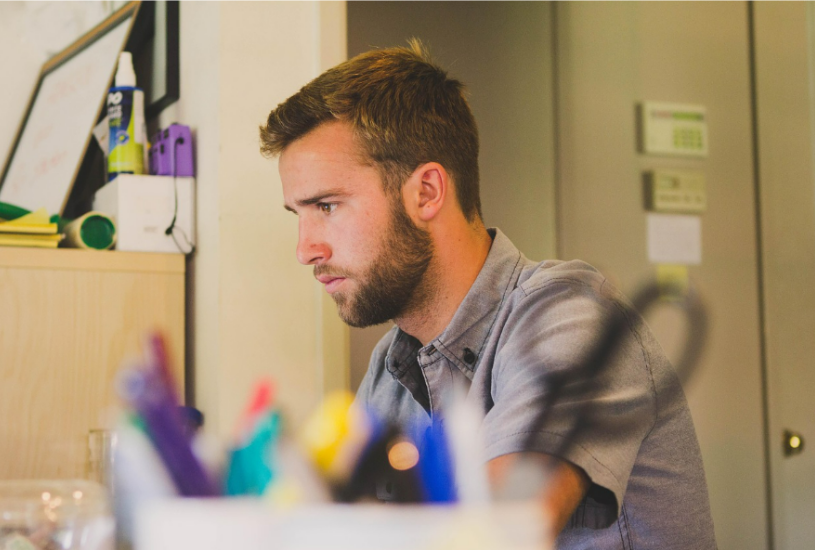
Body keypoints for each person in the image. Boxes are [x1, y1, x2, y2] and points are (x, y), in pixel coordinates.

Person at [260, 40, 717, 548]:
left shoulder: (571, 315)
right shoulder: (390, 368)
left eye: (326, 206)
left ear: (427, 192)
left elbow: (501, 533)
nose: (305, 249)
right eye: (296, 215)